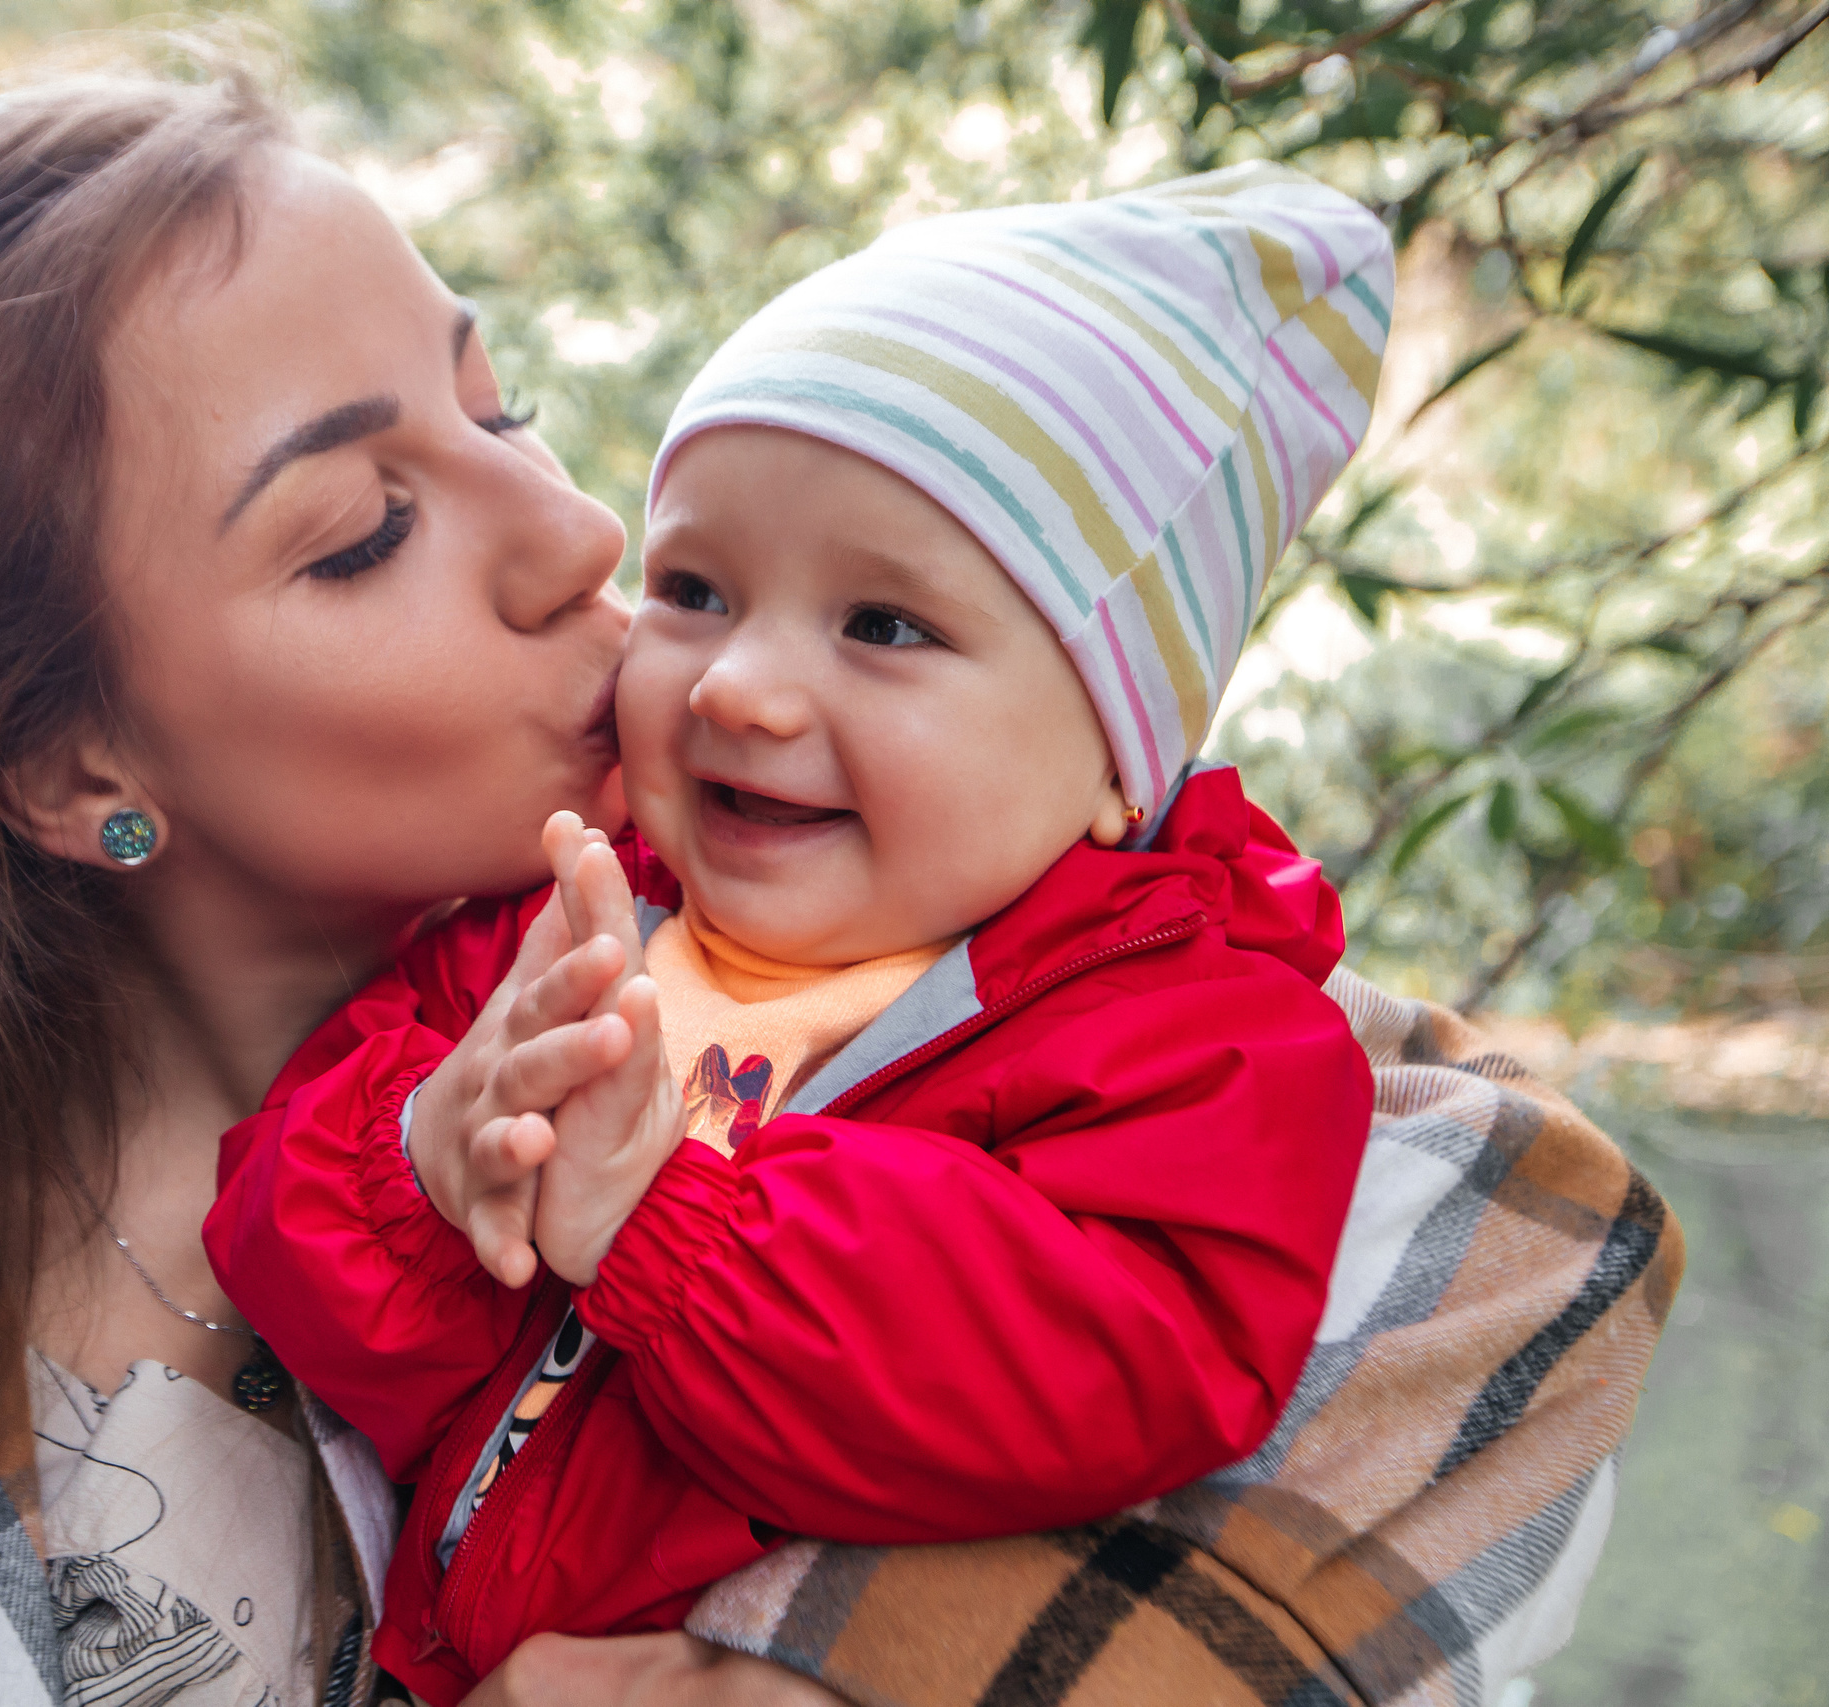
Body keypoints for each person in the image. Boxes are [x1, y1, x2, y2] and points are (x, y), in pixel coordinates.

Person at [0, 54, 1672, 1707]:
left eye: (502, 400)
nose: (576, 542)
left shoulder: (921, 964)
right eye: (360, 530)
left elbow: (1498, 1259)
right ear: (62, 767)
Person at [205, 167, 1394, 1704]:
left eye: (883, 626)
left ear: (1119, 754)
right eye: (694, 587)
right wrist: (423, 1169)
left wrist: (665, 1220)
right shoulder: (572, 923)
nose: (736, 691)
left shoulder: (1191, 1041)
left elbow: (1123, 1367)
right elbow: (323, 1296)